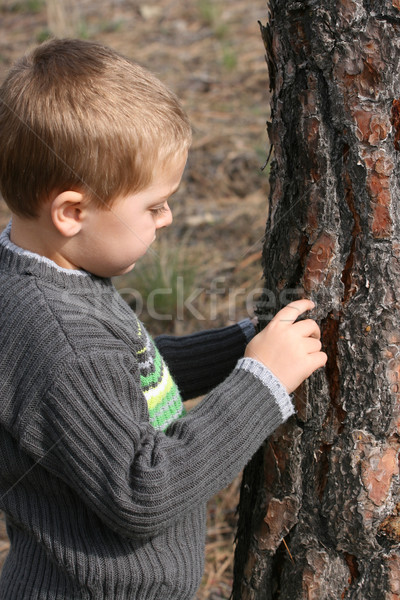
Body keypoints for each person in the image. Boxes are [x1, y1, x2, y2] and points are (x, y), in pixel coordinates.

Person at [0, 38, 327, 600]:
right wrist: (259, 385)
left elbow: (122, 386)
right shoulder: (61, 338)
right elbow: (143, 490)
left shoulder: (42, 276)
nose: (169, 217)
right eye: (153, 206)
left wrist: (246, 344)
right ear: (72, 212)